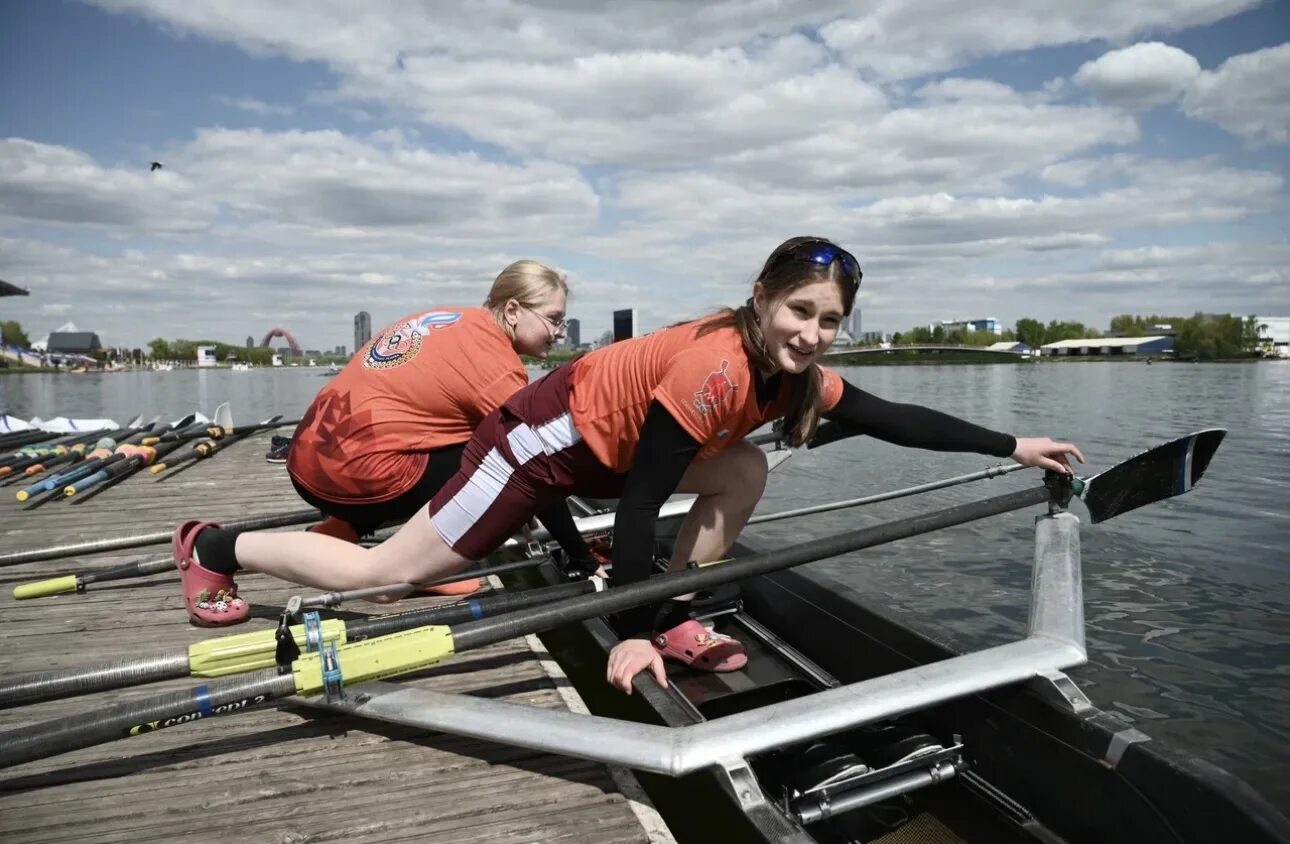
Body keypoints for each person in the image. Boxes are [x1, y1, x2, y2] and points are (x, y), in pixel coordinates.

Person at [178, 237, 1084, 697]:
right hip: (532, 453)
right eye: (800, 310)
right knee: (385, 577)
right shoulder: (718, 366)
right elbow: (646, 499)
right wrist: (632, 627)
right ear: (761, 298)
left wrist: (1013, 447)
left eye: (830, 320)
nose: (813, 333)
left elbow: (894, 416)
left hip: (596, 460)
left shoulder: (787, 368)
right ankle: (219, 544)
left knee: (742, 475)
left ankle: (676, 603)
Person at [173, 259, 603, 626]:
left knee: (481, 453)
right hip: (354, 472)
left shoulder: (453, 319)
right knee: (498, 473)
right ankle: (214, 548)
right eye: (553, 319)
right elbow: (534, 470)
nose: (560, 332)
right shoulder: (497, 367)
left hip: (311, 455)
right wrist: (579, 557)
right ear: (512, 309)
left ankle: (352, 535)